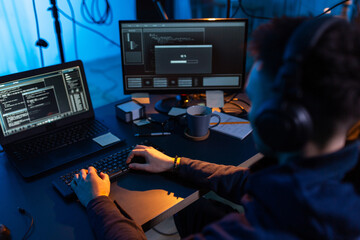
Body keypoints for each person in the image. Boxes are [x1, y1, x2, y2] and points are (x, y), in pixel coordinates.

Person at [71, 16, 360, 239]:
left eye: (255, 100)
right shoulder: (338, 171)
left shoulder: (268, 230)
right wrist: (174, 164)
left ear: (280, 122)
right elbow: (249, 181)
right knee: (195, 210)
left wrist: (97, 202)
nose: (253, 111)